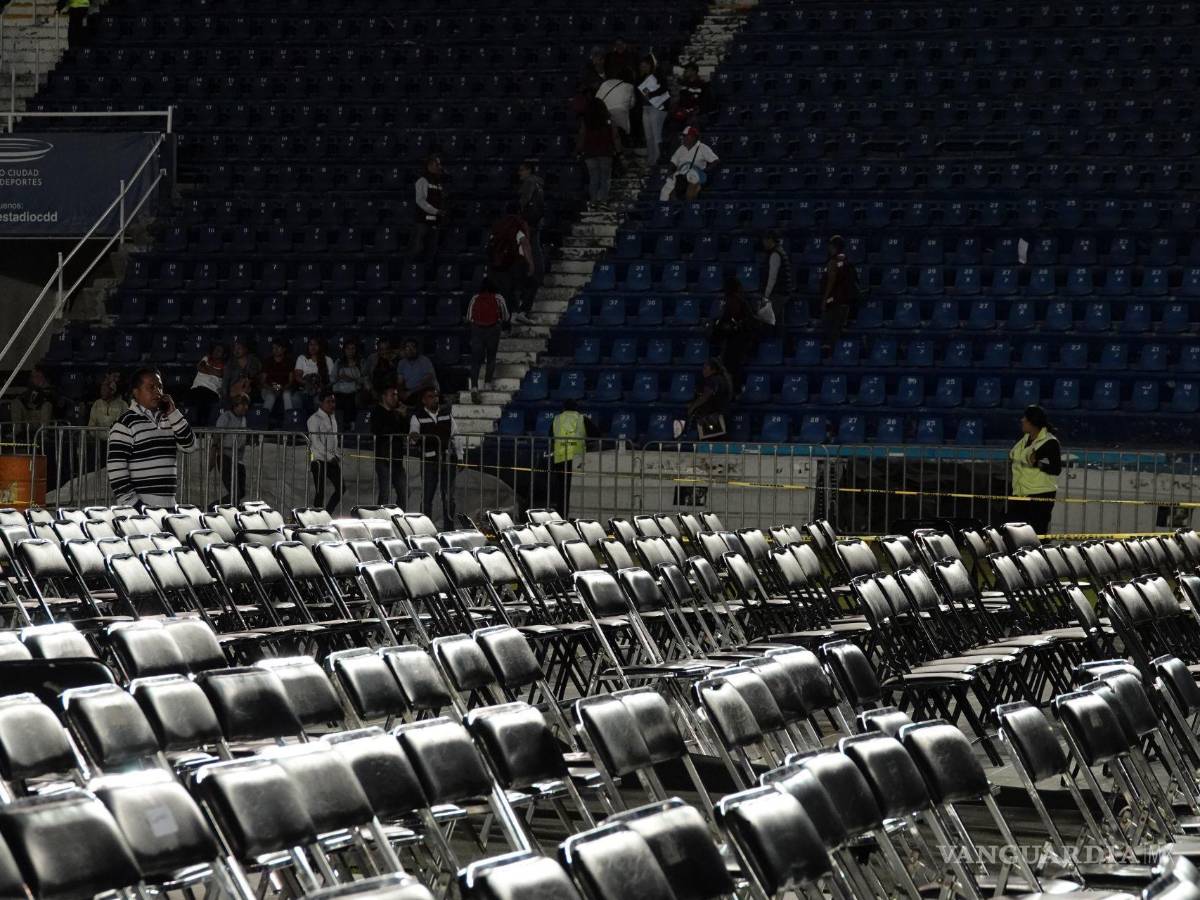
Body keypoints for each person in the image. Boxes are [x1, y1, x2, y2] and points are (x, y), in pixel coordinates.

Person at [106, 368, 197, 508]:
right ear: (136, 392)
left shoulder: (169, 418)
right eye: (151, 387)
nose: (158, 391)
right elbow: (116, 469)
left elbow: (190, 446)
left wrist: (173, 412)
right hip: (139, 509)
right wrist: (135, 505)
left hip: (169, 505)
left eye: (160, 386)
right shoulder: (124, 424)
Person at [410, 388, 461, 528]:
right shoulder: (417, 417)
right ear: (424, 400)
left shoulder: (446, 414)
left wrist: (460, 456)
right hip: (429, 461)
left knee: (448, 497)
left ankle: (448, 528)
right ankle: (426, 528)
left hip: (447, 459)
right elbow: (413, 435)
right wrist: (414, 437)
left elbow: (455, 435)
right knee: (427, 497)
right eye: (430, 396)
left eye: (436, 396)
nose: (435, 399)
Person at [1008, 405, 1062, 536]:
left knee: (1037, 534)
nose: (1022, 420)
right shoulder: (1024, 439)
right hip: (1020, 492)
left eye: (1025, 419)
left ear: (1033, 422)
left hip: (1040, 494)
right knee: (1016, 534)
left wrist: (1038, 464)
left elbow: (1056, 469)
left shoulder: (1050, 442)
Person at [487, 206, 536, 325]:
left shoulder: (498, 225)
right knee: (531, 284)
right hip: (516, 262)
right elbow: (525, 244)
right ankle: (521, 313)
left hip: (500, 263)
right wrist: (531, 263)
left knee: (508, 290)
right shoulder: (516, 224)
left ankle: (513, 314)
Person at [711, 277, 759, 391]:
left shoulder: (736, 302)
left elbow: (745, 324)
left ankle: (734, 389)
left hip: (739, 341)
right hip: (735, 339)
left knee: (730, 363)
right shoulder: (733, 302)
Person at [466, 277, 510, 391]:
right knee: (491, 357)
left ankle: (474, 386)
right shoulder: (498, 297)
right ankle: (487, 383)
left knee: (475, 360)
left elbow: (469, 317)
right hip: (493, 330)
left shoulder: (475, 297)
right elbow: (506, 316)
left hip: (477, 330)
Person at [550, 399, 590, 518]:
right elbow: (596, 434)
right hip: (577, 460)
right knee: (576, 489)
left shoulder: (557, 419)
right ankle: (575, 515)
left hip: (560, 459)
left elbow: (550, 436)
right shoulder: (582, 419)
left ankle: (562, 515)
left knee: (562, 489)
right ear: (577, 408)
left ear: (563, 408)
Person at [578, 97, 621, 208]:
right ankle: (602, 200)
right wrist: (619, 150)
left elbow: (582, 136)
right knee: (605, 177)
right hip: (605, 151)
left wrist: (578, 150)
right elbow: (615, 136)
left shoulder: (585, 121)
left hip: (589, 152)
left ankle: (593, 200)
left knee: (593, 177)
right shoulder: (608, 119)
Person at [675, 359, 732, 439]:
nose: (703, 370)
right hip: (719, 415)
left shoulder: (713, 380)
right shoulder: (720, 379)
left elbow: (705, 397)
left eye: (706, 368)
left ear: (713, 370)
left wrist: (692, 407)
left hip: (715, 417)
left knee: (712, 443)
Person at [371, 386, 409, 506]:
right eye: (392, 395)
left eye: (396, 395)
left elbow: (405, 430)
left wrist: (403, 416)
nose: (396, 398)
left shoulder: (396, 413)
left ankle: (399, 519)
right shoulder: (377, 411)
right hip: (384, 458)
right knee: (385, 493)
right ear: (384, 396)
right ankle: (382, 521)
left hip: (397, 458)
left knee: (404, 492)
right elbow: (379, 430)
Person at [659, 127, 720, 201]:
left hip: (695, 173)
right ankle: (668, 207)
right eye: (683, 136)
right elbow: (673, 162)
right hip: (681, 174)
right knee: (666, 190)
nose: (683, 138)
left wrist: (705, 170)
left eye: (686, 136)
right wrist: (670, 172)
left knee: (692, 183)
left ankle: (688, 207)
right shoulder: (681, 148)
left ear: (693, 137)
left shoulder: (702, 147)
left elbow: (716, 161)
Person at [818, 234, 859, 346]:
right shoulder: (846, 261)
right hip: (845, 302)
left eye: (830, 246)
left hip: (834, 301)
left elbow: (831, 281)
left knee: (830, 332)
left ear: (834, 247)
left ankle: (831, 355)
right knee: (838, 331)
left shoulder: (833, 262)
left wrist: (825, 300)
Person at [306, 390, 341, 513]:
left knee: (341, 488)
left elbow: (334, 438)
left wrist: (336, 454)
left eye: (333, 401)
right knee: (320, 492)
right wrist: (330, 456)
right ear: (321, 403)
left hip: (331, 458)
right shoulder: (313, 419)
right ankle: (316, 518)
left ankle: (327, 513)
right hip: (318, 460)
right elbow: (316, 442)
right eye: (328, 402)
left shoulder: (332, 417)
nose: (332, 404)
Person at [408, 154, 446, 264]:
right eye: (436, 164)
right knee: (417, 249)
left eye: (439, 164)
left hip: (435, 222)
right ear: (429, 166)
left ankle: (423, 276)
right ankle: (410, 272)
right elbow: (420, 201)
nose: (439, 166)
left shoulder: (438, 183)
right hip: (423, 222)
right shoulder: (422, 180)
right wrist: (436, 211)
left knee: (431, 251)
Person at [213, 394, 250, 503]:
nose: (246, 407)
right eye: (243, 405)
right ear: (235, 405)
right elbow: (217, 436)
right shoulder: (226, 416)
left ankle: (219, 508)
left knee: (241, 492)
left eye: (246, 405)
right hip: (226, 458)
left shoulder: (243, 419)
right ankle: (212, 508)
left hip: (238, 459)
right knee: (235, 493)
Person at [637, 55, 671, 168]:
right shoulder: (640, 78)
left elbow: (664, 88)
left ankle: (657, 159)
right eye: (641, 66)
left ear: (651, 66)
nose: (643, 69)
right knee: (648, 136)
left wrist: (651, 95)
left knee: (656, 135)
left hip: (657, 108)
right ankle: (651, 160)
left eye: (645, 66)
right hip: (645, 108)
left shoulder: (658, 75)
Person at [288, 338, 335, 414]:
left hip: (321, 389)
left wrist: (320, 387)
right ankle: (299, 421)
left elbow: (331, 379)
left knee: (318, 400)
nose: (313, 347)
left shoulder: (328, 359)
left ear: (320, 346)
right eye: (311, 344)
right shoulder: (302, 358)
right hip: (304, 388)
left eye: (316, 345)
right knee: (295, 398)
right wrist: (308, 384)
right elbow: (297, 376)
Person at [517, 160, 546, 280]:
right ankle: (538, 273)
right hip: (537, 219)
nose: (519, 173)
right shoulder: (538, 183)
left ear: (529, 170)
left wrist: (521, 216)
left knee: (531, 248)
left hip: (529, 220)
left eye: (522, 170)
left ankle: (534, 273)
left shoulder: (529, 182)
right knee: (535, 247)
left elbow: (525, 201)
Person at [186, 342, 226, 424]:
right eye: (215, 350)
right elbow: (200, 367)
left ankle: (198, 426)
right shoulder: (206, 359)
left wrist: (207, 369)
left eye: (219, 351)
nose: (216, 352)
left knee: (201, 403)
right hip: (196, 389)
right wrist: (212, 371)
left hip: (211, 392)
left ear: (223, 354)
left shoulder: (225, 366)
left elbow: (219, 373)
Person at [760, 232, 793, 327]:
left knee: (767, 321)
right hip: (782, 291)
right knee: (778, 322)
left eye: (765, 240)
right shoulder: (779, 251)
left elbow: (772, 278)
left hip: (779, 293)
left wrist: (766, 296)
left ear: (770, 240)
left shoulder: (775, 254)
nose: (763, 243)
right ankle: (777, 340)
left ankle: (772, 341)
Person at [395, 339, 439, 407]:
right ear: (404, 350)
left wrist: (410, 392)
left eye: (413, 347)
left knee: (422, 395)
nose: (410, 350)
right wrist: (401, 393)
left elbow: (427, 383)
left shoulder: (424, 361)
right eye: (407, 347)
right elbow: (400, 381)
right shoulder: (402, 363)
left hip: (424, 389)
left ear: (417, 349)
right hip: (409, 392)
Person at [332, 338, 367, 421]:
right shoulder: (339, 362)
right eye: (348, 348)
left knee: (350, 402)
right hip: (339, 391)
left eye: (353, 348)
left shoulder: (361, 362)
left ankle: (350, 426)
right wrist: (339, 377)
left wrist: (352, 379)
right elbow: (332, 379)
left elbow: (365, 379)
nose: (350, 351)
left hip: (353, 391)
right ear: (344, 350)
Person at [222, 338, 262, 408]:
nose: (236, 351)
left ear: (246, 349)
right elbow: (225, 381)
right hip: (234, 392)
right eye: (234, 349)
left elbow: (255, 375)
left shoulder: (253, 360)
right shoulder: (230, 363)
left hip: (251, 390)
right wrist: (225, 395)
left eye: (239, 348)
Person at [596, 74, 636, 138]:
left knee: (610, 129)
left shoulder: (605, 83)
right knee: (619, 132)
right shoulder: (630, 86)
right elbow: (632, 104)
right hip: (621, 114)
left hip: (606, 113)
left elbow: (597, 98)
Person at [260, 338, 293, 415]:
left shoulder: (289, 361)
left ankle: (290, 419)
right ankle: (263, 419)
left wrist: (281, 389)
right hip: (269, 388)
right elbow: (263, 381)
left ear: (284, 349)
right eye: (273, 348)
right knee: (271, 395)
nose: (275, 350)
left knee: (286, 395)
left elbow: (291, 381)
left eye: (278, 348)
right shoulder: (268, 361)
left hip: (284, 388)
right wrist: (273, 388)